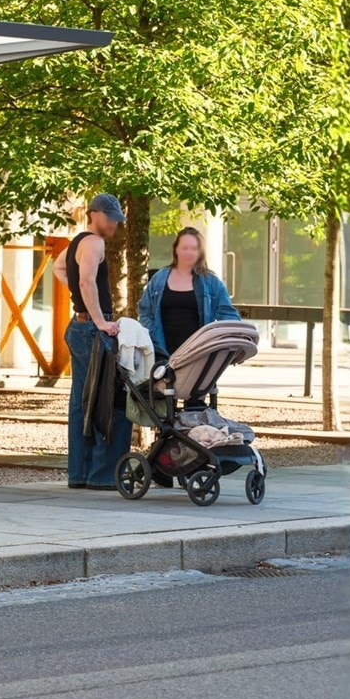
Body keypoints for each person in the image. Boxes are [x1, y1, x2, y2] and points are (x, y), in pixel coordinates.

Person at [63, 194, 133, 490]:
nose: (115, 223)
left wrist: (81, 306)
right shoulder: (94, 242)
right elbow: (85, 281)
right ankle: (103, 474)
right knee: (111, 399)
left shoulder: (76, 242)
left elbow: (60, 270)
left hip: (79, 326)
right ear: (94, 214)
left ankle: (79, 473)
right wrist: (100, 320)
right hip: (93, 329)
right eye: (111, 217)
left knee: (82, 401)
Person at [137, 226, 241, 358]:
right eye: (185, 248)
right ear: (176, 250)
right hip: (162, 353)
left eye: (194, 248)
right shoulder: (159, 278)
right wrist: (153, 338)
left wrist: (238, 343)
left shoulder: (211, 282)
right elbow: (145, 311)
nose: (189, 252)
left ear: (200, 252)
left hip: (199, 353)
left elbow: (227, 314)